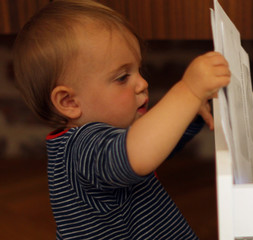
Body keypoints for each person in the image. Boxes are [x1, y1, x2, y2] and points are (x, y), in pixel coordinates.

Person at [13, 0, 230, 239]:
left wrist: (190, 111)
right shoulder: (82, 149)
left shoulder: (113, 137)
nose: (142, 83)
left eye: (139, 70)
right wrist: (188, 91)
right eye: (122, 77)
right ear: (69, 102)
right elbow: (139, 152)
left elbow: (156, 145)